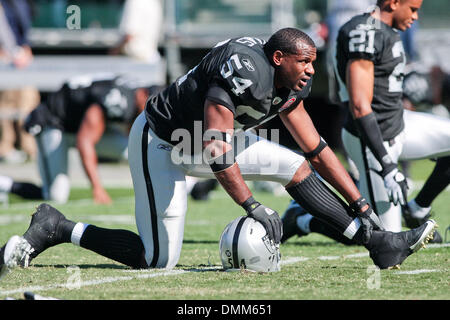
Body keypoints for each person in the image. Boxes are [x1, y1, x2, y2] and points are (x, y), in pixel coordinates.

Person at [0, 28, 437, 278]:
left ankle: (376, 243)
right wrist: (253, 205)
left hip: (204, 142)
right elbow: (217, 150)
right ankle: (58, 226)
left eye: (312, 62)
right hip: (163, 143)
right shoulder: (242, 71)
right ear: (279, 56)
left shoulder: (286, 87)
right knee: (156, 260)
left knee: (294, 164)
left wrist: (359, 202)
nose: (309, 71)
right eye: (303, 62)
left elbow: (318, 151)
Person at [282, 0, 449, 245]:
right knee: (381, 237)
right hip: (372, 138)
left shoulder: (386, 30)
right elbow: (360, 106)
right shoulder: (364, 33)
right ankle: (302, 218)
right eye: (412, 9)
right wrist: (389, 165)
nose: (415, 17)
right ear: (393, 3)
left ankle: (418, 208)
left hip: (398, 122)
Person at [0, 74, 155, 205]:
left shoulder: (131, 93)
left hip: (77, 125)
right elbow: (84, 141)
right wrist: (97, 187)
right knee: (56, 196)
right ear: (142, 95)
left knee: (133, 149)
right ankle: (5, 184)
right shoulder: (116, 100)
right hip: (54, 123)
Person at [0, 0, 40, 163]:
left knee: (28, 101)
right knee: (7, 105)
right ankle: (6, 146)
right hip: (6, 61)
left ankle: (29, 147)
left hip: (19, 59)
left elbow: (22, 29)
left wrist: (24, 48)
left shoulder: (17, 4)